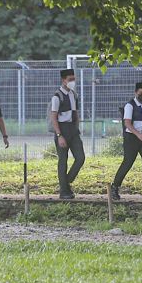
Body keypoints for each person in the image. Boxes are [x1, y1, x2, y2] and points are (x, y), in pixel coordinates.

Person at [50, 68, 84, 200]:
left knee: (80, 158)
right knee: (63, 161)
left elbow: (76, 112)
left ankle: (67, 182)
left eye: (73, 79)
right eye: (70, 79)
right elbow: (53, 117)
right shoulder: (57, 96)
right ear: (63, 80)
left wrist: (77, 127)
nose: (72, 82)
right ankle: (64, 191)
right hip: (62, 129)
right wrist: (59, 135)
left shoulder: (73, 94)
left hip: (73, 129)